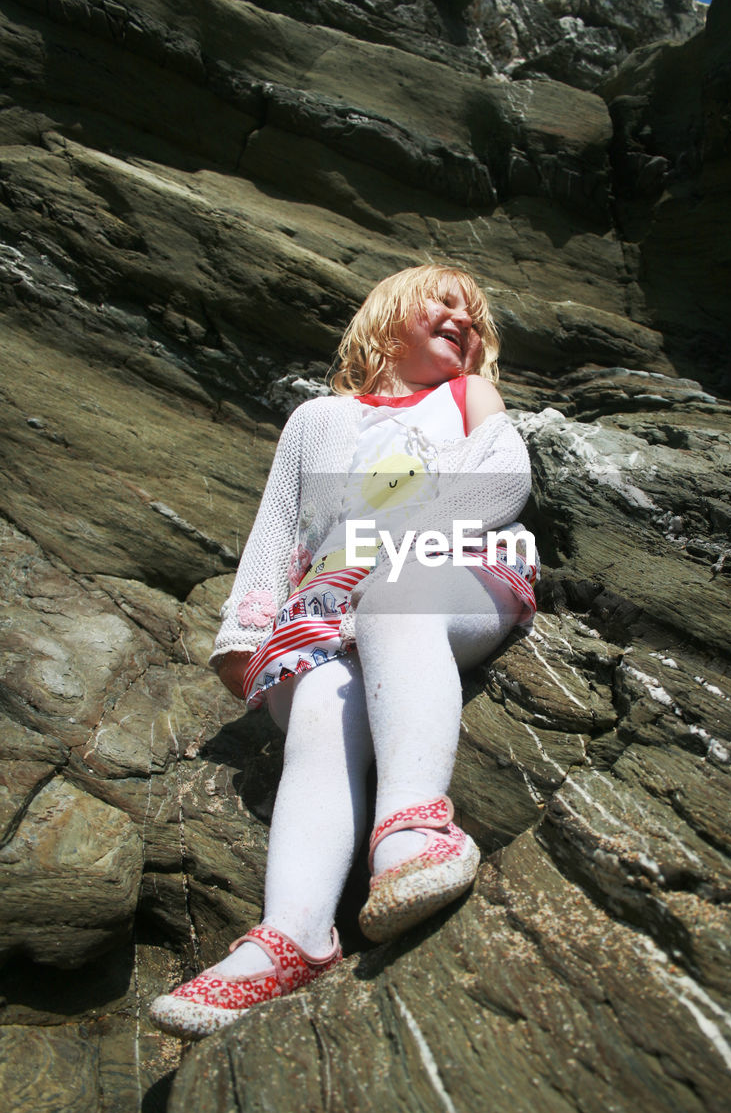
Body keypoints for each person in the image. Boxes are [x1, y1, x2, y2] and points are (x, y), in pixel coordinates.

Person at [149, 264, 537, 1039]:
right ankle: (292, 938)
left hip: (447, 572)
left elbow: (503, 478)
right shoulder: (317, 420)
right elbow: (277, 530)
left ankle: (411, 831)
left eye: (475, 317)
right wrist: (243, 634)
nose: (462, 320)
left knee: (394, 599)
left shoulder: (463, 398)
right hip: (321, 609)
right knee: (319, 731)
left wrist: (387, 546)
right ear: (388, 314)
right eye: (444, 303)